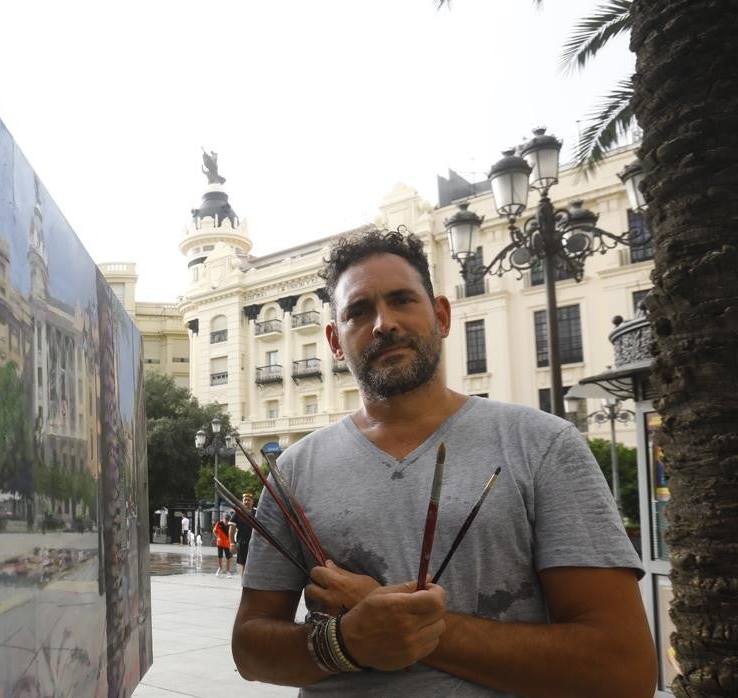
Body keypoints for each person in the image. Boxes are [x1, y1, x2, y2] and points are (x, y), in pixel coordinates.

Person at [232, 230, 656, 696]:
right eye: (359, 311)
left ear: (441, 315)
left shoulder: (543, 444)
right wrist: (346, 642)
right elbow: (250, 649)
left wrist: (396, 623)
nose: (383, 324)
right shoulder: (293, 469)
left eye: (402, 300)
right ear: (334, 340)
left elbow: (622, 669)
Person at [235, 493, 256, 576]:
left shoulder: (257, 512)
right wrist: (232, 543)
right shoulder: (238, 512)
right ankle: (244, 582)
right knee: (244, 564)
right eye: (245, 500)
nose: (246, 502)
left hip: (255, 543)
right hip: (243, 543)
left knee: (254, 563)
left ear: (252, 502)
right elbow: (232, 527)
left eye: (249, 500)